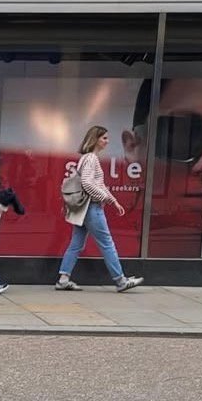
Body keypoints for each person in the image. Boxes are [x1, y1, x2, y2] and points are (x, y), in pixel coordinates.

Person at [56, 124, 143, 292]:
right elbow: (88, 183)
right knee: (107, 243)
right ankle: (120, 281)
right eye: (104, 138)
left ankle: (63, 279)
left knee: (76, 244)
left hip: (84, 208)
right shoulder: (91, 158)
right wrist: (107, 199)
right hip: (91, 208)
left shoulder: (87, 158)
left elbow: (98, 184)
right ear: (95, 140)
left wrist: (113, 200)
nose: (107, 141)